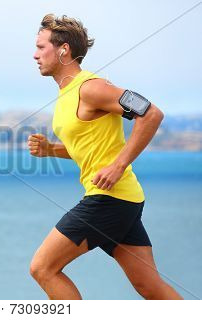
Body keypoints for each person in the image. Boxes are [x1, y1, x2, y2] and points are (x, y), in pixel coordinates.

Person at [27, 14, 183, 300]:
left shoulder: (91, 88)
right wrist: (50, 149)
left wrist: (118, 165)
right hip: (124, 199)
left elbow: (150, 114)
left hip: (107, 199)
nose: (34, 55)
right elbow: (89, 149)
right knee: (149, 286)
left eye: (41, 47)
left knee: (43, 268)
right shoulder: (66, 95)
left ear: (63, 50)